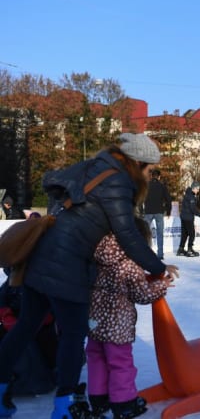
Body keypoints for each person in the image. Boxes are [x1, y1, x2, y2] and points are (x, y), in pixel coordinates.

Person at [0, 133, 180, 419]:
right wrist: (158, 268)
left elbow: (53, 185)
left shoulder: (93, 167)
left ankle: (1, 393)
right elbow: (128, 234)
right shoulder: (118, 180)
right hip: (66, 266)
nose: (149, 175)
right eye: (149, 169)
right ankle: (64, 406)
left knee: (26, 326)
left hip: (40, 256)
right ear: (136, 162)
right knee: (73, 335)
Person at [86, 217, 172, 419]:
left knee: (96, 358)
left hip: (94, 320)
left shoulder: (97, 255)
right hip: (118, 323)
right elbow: (141, 295)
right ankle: (123, 403)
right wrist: (161, 286)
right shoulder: (130, 264)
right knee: (120, 362)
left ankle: (98, 400)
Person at [142, 169, 172, 259]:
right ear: (159, 177)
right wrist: (168, 211)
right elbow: (168, 200)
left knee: (146, 233)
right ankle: (160, 254)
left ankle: (145, 253)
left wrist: (141, 210)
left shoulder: (146, 186)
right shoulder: (162, 186)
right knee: (160, 233)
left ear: (151, 176)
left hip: (148, 212)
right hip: (159, 212)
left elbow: (140, 198)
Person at [177, 182, 200, 257]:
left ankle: (181, 249)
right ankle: (190, 249)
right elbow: (193, 208)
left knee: (185, 234)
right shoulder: (191, 196)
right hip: (188, 217)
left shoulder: (187, 194)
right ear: (193, 188)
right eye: (197, 189)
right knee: (192, 234)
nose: (198, 190)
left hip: (183, 216)